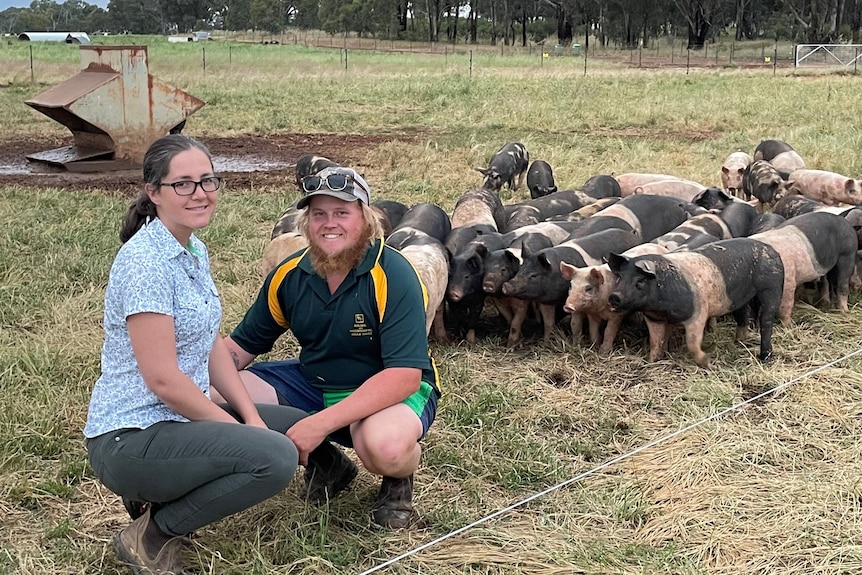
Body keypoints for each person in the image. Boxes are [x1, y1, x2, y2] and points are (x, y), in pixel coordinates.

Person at [84, 134, 310, 575]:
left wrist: (253, 418)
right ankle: (153, 534)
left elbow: (211, 344)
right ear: (154, 192)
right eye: (183, 184)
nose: (201, 193)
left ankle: (161, 493)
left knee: (293, 425)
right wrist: (242, 433)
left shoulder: (191, 249)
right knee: (275, 457)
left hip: (177, 422)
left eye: (208, 180)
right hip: (131, 435)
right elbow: (164, 381)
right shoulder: (146, 262)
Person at [219, 165, 441, 528]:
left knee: (385, 447)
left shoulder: (394, 274)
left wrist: (319, 424)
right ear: (306, 223)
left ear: (366, 219)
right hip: (315, 381)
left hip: (385, 389)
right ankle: (329, 464)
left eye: (342, 212)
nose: (329, 223)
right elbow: (240, 349)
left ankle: (398, 480)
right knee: (213, 390)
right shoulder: (289, 274)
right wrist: (182, 375)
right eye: (318, 214)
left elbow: (404, 376)